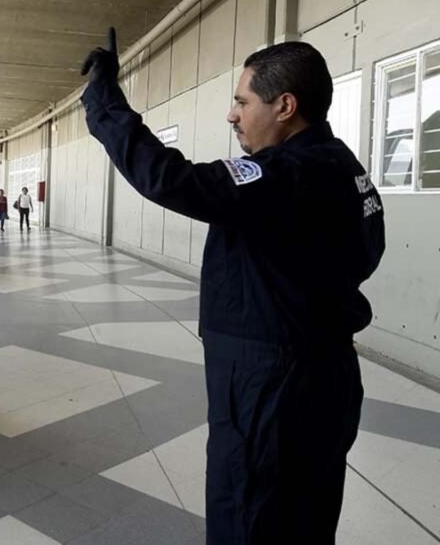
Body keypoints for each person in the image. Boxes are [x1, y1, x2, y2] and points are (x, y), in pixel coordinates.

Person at [79, 28, 385, 544]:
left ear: (285, 105)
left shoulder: (290, 175)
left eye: (243, 102)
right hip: (324, 377)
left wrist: (104, 99)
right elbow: (366, 253)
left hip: (270, 390)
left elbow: (172, 180)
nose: (232, 114)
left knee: (249, 517)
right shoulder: (346, 168)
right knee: (306, 519)